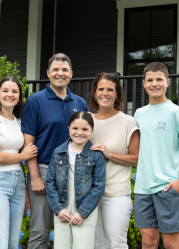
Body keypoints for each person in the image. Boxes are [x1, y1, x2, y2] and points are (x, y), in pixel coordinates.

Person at [21, 53, 89, 249]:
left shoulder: (79, 103)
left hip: (73, 173)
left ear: (71, 74)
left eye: (65, 70)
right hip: (43, 170)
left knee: (69, 230)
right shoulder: (36, 100)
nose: (60, 73)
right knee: (39, 231)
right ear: (48, 73)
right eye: (56, 70)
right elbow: (28, 142)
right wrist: (34, 176)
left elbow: (85, 138)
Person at [0, 76, 38, 249]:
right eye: (5, 91)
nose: (9, 94)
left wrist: (25, 191)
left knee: (12, 243)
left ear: (20, 97)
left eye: (14, 91)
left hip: (18, 184)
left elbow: (16, 157)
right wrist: (24, 155)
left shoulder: (19, 123)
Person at [133, 62, 179, 249]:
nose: (154, 84)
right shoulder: (139, 114)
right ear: (144, 84)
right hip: (142, 188)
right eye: (150, 80)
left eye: (159, 79)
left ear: (168, 82)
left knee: (171, 244)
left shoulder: (177, 113)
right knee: (148, 242)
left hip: (167, 188)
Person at [88, 73, 140, 249]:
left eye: (110, 89)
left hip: (116, 195)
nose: (105, 93)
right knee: (96, 245)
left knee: (116, 244)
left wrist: (109, 154)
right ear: (95, 93)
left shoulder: (128, 122)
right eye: (101, 89)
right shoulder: (87, 122)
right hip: (90, 195)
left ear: (117, 94)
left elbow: (137, 158)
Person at [45, 111, 106, 249]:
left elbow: (99, 186)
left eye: (85, 129)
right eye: (75, 128)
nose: (79, 133)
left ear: (92, 131)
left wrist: (82, 212)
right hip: (62, 211)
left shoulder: (96, 155)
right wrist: (58, 209)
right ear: (69, 129)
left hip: (85, 212)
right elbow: (50, 182)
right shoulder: (58, 152)